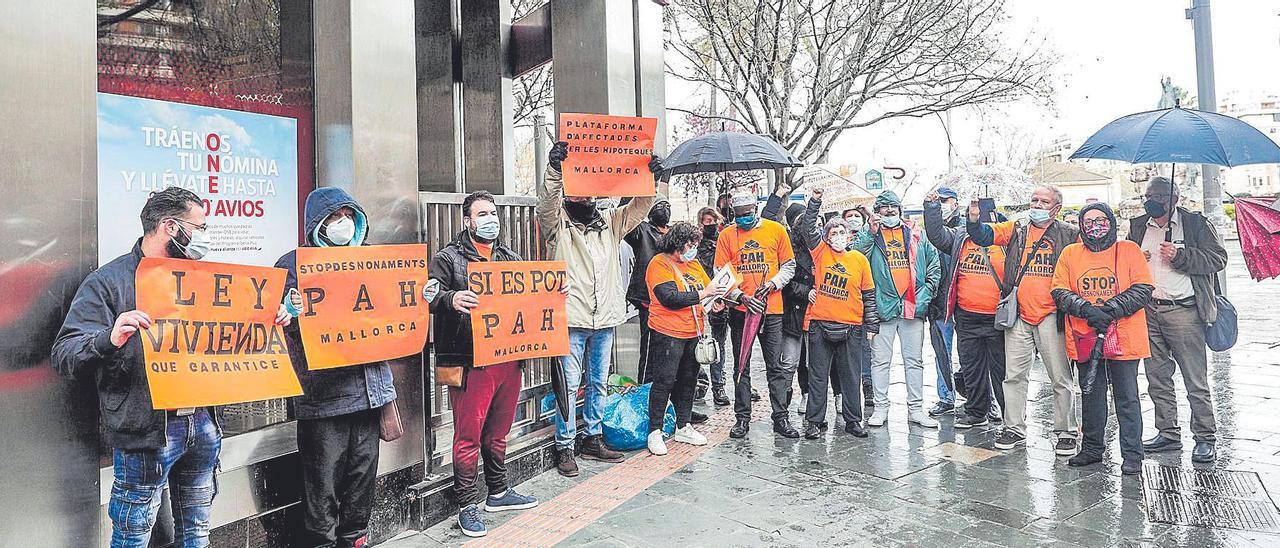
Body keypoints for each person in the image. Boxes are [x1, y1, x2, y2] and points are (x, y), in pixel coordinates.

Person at [52, 187, 290, 547]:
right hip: (145, 429)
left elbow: (233, 334)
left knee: (196, 532)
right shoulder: (109, 282)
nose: (205, 236)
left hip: (203, 424)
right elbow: (65, 352)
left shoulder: (205, 280)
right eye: (200, 226)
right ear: (170, 227)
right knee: (133, 533)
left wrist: (272, 319)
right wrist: (109, 337)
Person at [275, 187, 397, 548]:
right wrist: (290, 312)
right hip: (322, 397)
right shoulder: (293, 265)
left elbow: (394, 311)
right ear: (317, 225)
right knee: (322, 482)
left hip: (368, 391)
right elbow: (277, 320)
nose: (341, 224)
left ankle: (355, 538)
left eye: (347, 217)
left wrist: (420, 297)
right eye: (332, 218)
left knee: (362, 476)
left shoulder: (372, 261)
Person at [537, 141, 660, 476]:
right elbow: (545, 204)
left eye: (590, 193)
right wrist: (554, 170)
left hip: (604, 318)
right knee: (567, 382)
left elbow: (640, 207)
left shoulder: (610, 223)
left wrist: (651, 179)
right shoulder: (556, 226)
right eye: (579, 193)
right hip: (571, 318)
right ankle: (565, 445)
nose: (586, 198)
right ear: (568, 194)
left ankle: (592, 436)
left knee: (598, 382)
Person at [426, 191, 542, 537]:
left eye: (493, 213)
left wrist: (553, 296)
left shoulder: (511, 257)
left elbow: (533, 295)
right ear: (468, 221)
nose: (491, 219)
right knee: (468, 436)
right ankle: (466, 504)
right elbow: (428, 295)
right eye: (482, 214)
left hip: (509, 359)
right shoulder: (447, 259)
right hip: (468, 361)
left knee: (498, 433)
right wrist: (450, 298)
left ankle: (499, 492)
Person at [968, 185, 1081, 454]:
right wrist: (973, 219)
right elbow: (985, 236)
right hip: (1019, 314)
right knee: (1014, 376)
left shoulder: (1069, 234)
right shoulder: (1017, 228)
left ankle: (1066, 431)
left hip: (1052, 315)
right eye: (1034, 200)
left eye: (1044, 201)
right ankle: (1014, 427)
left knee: (1060, 378)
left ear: (1057, 208)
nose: (1037, 205)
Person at [1129, 176, 1227, 463]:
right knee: (1157, 377)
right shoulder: (1137, 226)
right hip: (1148, 310)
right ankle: (1168, 432)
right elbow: (1125, 261)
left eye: (1159, 196)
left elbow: (1218, 259)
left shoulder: (1195, 224)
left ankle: (1205, 437)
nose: (1152, 201)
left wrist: (1181, 255)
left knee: (1195, 379)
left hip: (1184, 311)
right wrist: (1137, 256)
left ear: (1174, 198)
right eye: (1148, 195)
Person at [1052, 203, 1153, 475]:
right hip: (1086, 336)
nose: (1095, 225)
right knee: (1091, 394)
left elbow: (1143, 288)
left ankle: (1132, 454)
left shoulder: (1128, 250)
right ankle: (1093, 448)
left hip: (1125, 338)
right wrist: (1086, 310)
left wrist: (1109, 310)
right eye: (1088, 221)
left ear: (1110, 221)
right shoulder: (1071, 253)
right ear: (1081, 226)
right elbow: (1059, 290)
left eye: (1100, 219)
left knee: (1127, 397)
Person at [852, 190, 941, 428]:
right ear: (878, 212)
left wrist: (927, 292)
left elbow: (933, 264)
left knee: (914, 361)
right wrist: (869, 232)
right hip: (883, 307)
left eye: (894, 207)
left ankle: (916, 409)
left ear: (900, 210)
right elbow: (854, 257)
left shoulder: (915, 234)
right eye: (885, 208)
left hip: (913, 306)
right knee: (880, 361)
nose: (890, 211)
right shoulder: (870, 235)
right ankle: (880, 408)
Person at [716, 191, 798, 439]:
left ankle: (780, 418)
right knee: (741, 366)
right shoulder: (727, 235)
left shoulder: (775, 230)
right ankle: (742, 419)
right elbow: (720, 273)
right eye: (739, 216)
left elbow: (789, 265)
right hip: (742, 311)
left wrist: (773, 284)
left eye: (748, 214)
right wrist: (741, 296)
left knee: (775, 366)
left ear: (755, 209)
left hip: (771, 310)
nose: (744, 219)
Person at [797, 188, 878, 439]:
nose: (839, 235)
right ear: (827, 236)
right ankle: (814, 421)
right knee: (818, 377)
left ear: (849, 235)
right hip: (821, 325)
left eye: (842, 231)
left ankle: (854, 421)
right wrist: (815, 201)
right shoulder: (820, 253)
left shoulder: (859, 260)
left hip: (852, 327)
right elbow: (808, 227)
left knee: (851, 376)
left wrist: (872, 326)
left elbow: (868, 295)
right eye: (834, 232)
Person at [924, 190, 1007, 430]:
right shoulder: (961, 237)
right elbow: (937, 235)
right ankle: (976, 411)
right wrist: (931, 208)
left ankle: (1008, 416)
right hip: (967, 317)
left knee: (1001, 371)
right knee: (972, 367)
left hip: (997, 319)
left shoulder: (1006, 240)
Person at [644, 222, 728, 455]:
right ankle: (655, 430)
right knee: (664, 380)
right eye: (690, 244)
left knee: (688, 379)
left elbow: (708, 288)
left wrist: (714, 302)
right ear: (677, 243)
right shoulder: (659, 263)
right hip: (667, 332)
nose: (693, 249)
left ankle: (684, 425)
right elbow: (669, 297)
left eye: (696, 244)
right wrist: (704, 294)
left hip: (694, 331)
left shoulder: (694, 264)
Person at [624, 195, 672, 383]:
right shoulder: (642, 231)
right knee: (650, 347)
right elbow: (627, 221)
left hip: (673, 298)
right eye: (659, 205)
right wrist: (630, 191)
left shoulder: (674, 232)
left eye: (666, 205)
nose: (664, 209)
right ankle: (645, 389)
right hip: (649, 299)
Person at [924, 187, 961, 418]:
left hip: (967, 304)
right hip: (940, 305)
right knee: (942, 353)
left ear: (955, 202)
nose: (943, 204)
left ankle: (986, 399)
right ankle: (946, 396)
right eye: (939, 201)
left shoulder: (967, 230)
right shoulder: (928, 235)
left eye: (945, 200)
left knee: (974, 356)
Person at [695, 206, 732, 406]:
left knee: (730, 343)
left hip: (732, 295)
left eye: (712, 221)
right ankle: (715, 386)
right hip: (711, 297)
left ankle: (732, 382)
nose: (709, 224)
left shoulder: (727, 238)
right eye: (705, 221)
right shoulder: (699, 245)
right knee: (715, 344)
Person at [843, 206, 876, 408]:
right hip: (844, 302)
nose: (853, 219)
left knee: (866, 348)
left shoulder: (870, 236)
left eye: (857, 216)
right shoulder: (839, 241)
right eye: (849, 216)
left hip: (865, 298)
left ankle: (868, 384)